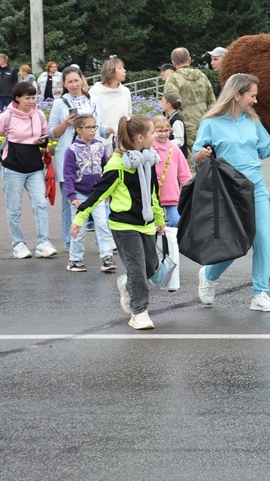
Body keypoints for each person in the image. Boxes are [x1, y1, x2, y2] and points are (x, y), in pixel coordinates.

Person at [194, 73, 270, 312]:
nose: (255, 100)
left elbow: (263, 150)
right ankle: (209, 275)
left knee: (262, 237)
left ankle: (260, 294)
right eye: (252, 95)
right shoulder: (210, 123)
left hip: (256, 187)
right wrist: (202, 155)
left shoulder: (252, 120)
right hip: (228, 190)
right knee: (236, 243)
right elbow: (197, 156)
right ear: (237, 94)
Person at [72, 116, 165, 330]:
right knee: (138, 269)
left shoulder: (147, 160)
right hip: (124, 226)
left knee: (151, 266)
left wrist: (159, 219)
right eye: (152, 133)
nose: (155, 136)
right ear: (140, 138)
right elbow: (98, 193)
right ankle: (139, 312)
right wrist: (79, 218)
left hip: (146, 224)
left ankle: (126, 283)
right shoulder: (117, 166)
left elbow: (153, 193)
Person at [0, 81, 57, 258]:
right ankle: (18, 244)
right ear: (17, 98)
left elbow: (45, 138)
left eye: (33, 97)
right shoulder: (7, 116)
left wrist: (42, 141)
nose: (32, 101)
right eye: (28, 98)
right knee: (14, 208)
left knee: (40, 204)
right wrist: (2, 158)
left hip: (34, 169)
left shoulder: (39, 115)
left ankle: (43, 243)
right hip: (13, 170)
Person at [49, 67, 104, 251]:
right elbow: (51, 133)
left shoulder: (93, 100)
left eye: (76, 80)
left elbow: (99, 127)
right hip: (69, 157)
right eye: (69, 82)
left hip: (91, 159)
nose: (74, 85)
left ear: (82, 80)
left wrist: (111, 130)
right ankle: (69, 241)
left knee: (97, 199)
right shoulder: (59, 103)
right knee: (69, 201)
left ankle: (101, 240)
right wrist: (66, 123)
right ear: (64, 84)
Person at [61, 114, 115, 272]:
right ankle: (75, 260)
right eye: (89, 127)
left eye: (94, 127)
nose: (92, 130)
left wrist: (108, 191)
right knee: (80, 228)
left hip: (97, 195)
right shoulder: (72, 150)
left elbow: (107, 169)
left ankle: (107, 257)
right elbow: (68, 175)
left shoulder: (99, 146)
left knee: (103, 225)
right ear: (78, 130)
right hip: (80, 196)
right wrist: (72, 196)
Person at [164, 47, 215, 152]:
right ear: (190, 60)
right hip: (204, 126)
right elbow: (212, 103)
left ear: (173, 63)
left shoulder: (173, 79)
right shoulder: (203, 76)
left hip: (183, 128)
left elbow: (170, 102)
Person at [151, 115, 191, 226]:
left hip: (172, 195)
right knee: (155, 225)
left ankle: (172, 243)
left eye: (166, 130)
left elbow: (184, 173)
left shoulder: (175, 149)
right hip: (153, 196)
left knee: (176, 222)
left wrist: (190, 190)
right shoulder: (148, 149)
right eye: (159, 131)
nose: (163, 134)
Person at [89, 57, 132, 148]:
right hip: (99, 143)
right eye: (120, 68)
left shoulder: (126, 91)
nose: (124, 71)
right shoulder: (94, 92)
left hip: (121, 143)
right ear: (110, 71)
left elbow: (128, 115)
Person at [160, 91, 188, 160]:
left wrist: (164, 143)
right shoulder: (170, 118)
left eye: (162, 101)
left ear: (168, 105)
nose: (161, 104)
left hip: (178, 157)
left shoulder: (176, 120)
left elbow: (179, 140)